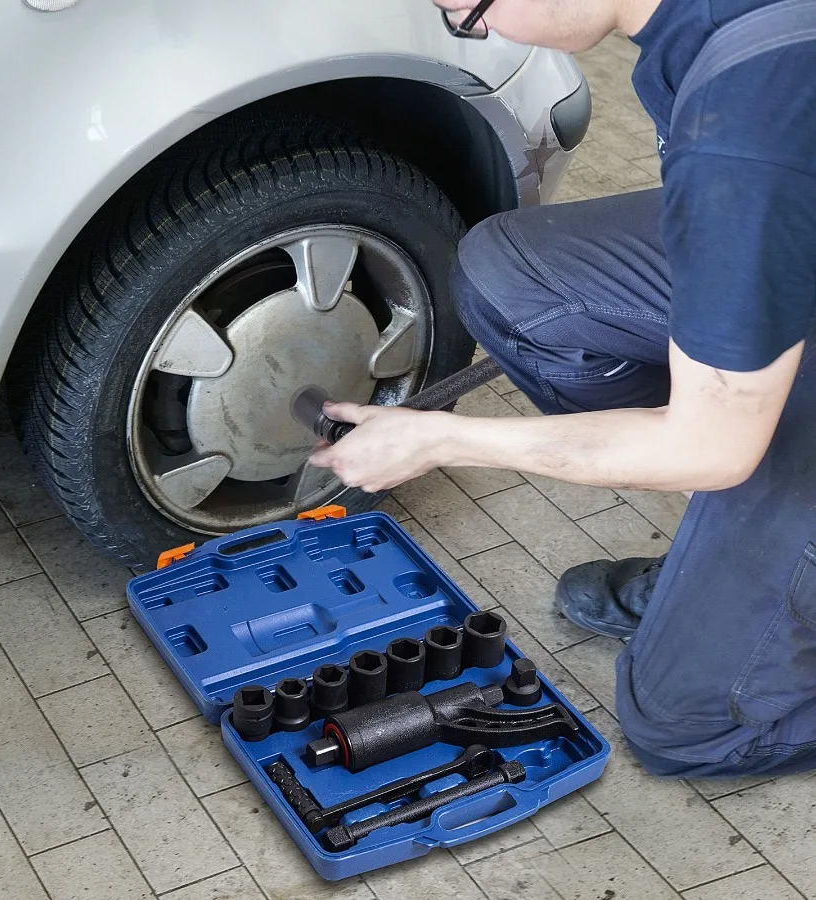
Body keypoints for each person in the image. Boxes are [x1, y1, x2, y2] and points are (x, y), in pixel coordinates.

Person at [309, 0, 816, 777]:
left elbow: (709, 451)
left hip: (773, 237)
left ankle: (771, 584)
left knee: (680, 727)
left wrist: (442, 438)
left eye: (464, 7)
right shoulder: (709, 39)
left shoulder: (743, 131)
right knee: (517, 281)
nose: (474, 30)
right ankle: (741, 557)